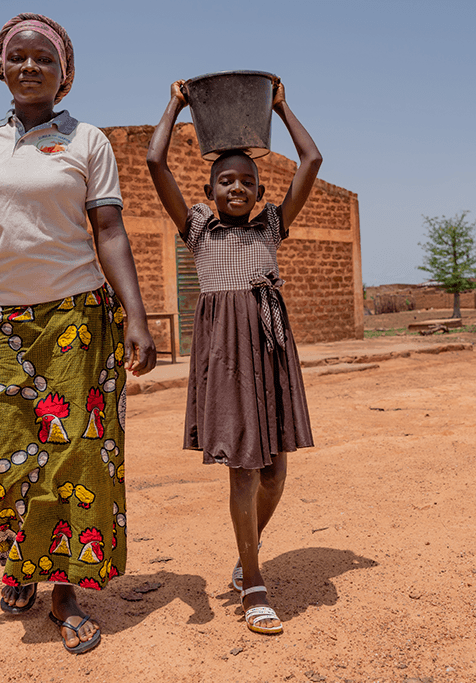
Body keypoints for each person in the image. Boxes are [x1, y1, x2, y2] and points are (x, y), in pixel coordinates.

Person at [0, 13, 156, 655]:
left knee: (75, 458)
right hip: (0, 321)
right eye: (16, 57)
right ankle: (20, 563)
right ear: (0, 66)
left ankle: (65, 591)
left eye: (42, 59)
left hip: (77, 319)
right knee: (0, 459)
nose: (29, 67)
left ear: (63, 72)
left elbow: (109, 232)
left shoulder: (88, 142)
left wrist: (137, 314)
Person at [146, 78, 321, 635]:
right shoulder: (197, 228)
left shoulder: (272, 225)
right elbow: (154, 161)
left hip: (269, 349)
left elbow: (312, 158)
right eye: (227, 180)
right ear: (210, 189)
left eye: (248, 181)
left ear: (260, 191)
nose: (238, 188)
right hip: (225, 354)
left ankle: (250, 545)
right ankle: (253, 581)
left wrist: (280, 107)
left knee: (275, 472)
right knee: (243, 472)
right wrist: (175, 105)